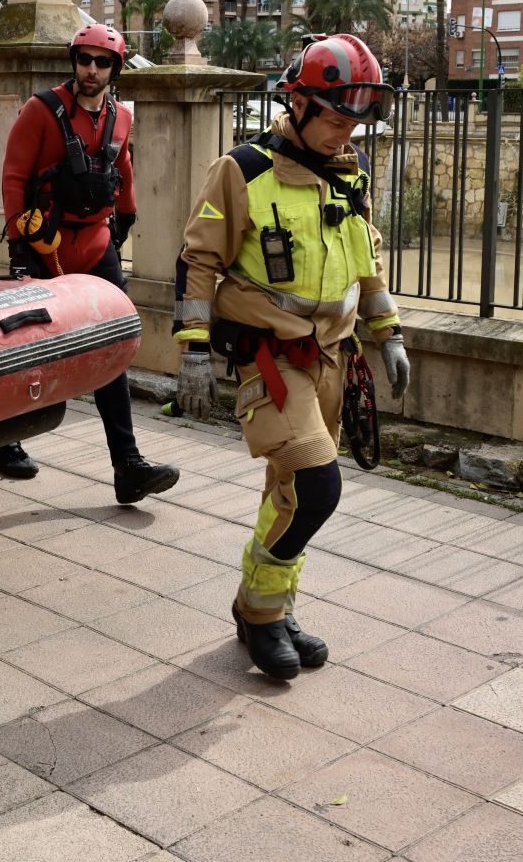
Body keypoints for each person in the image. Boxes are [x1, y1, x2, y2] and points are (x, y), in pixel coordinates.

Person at [174, 33, 410, 680]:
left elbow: (367, 261)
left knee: (287, 492)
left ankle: (270, 608)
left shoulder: (348, 172)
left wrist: (387, 334)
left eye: (355, 121)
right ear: (298, 104)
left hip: (333, 359)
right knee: (316, 487)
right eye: (336, 119)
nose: (346, 132)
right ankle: (258, 614)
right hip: (271, 361)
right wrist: (192, 353)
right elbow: (199, 261)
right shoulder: (244, 170)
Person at [0, 25, 180, 504]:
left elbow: (123, 168)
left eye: (102, 62)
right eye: (84, 60)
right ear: (74, 61)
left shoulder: (119, 116)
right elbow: (14, 177)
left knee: (111, 347)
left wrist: (126, 218)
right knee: (29, 348)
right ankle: (4, 438)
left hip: (96, 245)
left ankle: (128, 466)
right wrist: (18, 246)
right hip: (42, 245)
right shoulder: (41, 110)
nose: (91, 70)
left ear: (115, 68)